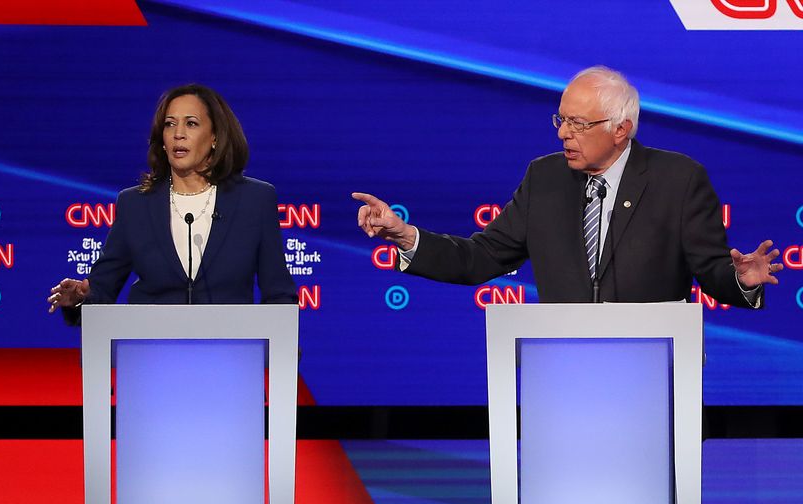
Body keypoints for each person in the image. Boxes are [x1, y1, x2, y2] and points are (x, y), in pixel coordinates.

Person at [354, 66, 782, 305]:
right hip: (560, 364)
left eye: (578, 123)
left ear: (622, 129)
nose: (563, 134)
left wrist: (742, 279)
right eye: (561, 119)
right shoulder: (545, 178)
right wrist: (405, 235)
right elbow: (481, 258)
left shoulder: (678, 179)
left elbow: (712, 272)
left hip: (654, 366)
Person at [47, 83, 296, 316]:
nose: (178, 134)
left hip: (230, 353)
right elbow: (102, 288)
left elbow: (278, 293)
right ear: (162, 141)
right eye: (169, 124)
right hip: (149, 351)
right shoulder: (136, 205)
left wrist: (282, 353)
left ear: (215, 138)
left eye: (191, 124)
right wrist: (79, 298)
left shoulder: (254, 200)